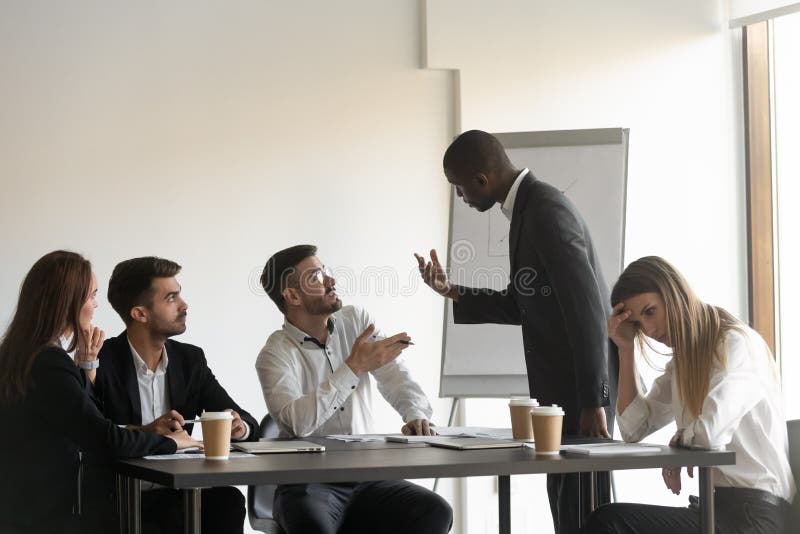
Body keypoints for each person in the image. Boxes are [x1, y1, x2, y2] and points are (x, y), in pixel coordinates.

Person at [415, 129, 617, 534]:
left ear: (481, 180)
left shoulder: (544, 210)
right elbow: (521, 302)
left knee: (583, 513)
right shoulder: (526, 211)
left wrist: (594, 398)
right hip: (564, 396)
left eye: (459, 187)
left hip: (580, 397)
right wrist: (452, 290)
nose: (460, 197)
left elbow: (587, 308)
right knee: (567, 508)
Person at [585, 256, 796, 534]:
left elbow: (709, 433)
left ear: (673, 293)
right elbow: (634, 428)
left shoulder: (735, 345)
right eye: (638, 323)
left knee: (609, 522)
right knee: (605, 518)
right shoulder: (687, 361)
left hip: (755, 517)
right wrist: (626, 349)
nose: (648, 330)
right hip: (716, 508)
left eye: (650, 311)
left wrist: (680, 443)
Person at [255, 244, 453, 534]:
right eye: (316, 277)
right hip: (308, 482)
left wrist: (415, 413)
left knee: (434, 511)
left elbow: (394, 373)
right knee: (313, 525)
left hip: (366, 476)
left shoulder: (356, 321)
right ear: (293, 295)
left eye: (326, 272)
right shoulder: (274, 354)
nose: (331, 281)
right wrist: (353, 368)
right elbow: (297, 424)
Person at [0, 251, 197, 534]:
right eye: (91, 296)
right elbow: (103, 439)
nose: (95, 305)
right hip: (46, 516)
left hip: (23, 510)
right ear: (68, 301)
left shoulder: (22, 354)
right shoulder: (48, 362)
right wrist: (173, 443)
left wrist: (87, 370)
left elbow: (85, 424)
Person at [94, 256, 258, 534]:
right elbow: (92, 437)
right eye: (171, 298)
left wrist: (239, 427)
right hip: (121, 497)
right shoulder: (101, 360)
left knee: (227, 500)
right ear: (140, 313)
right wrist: (148, 433)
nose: (184, 305)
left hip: (182, 492)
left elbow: (246, 421)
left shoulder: (190, 360)